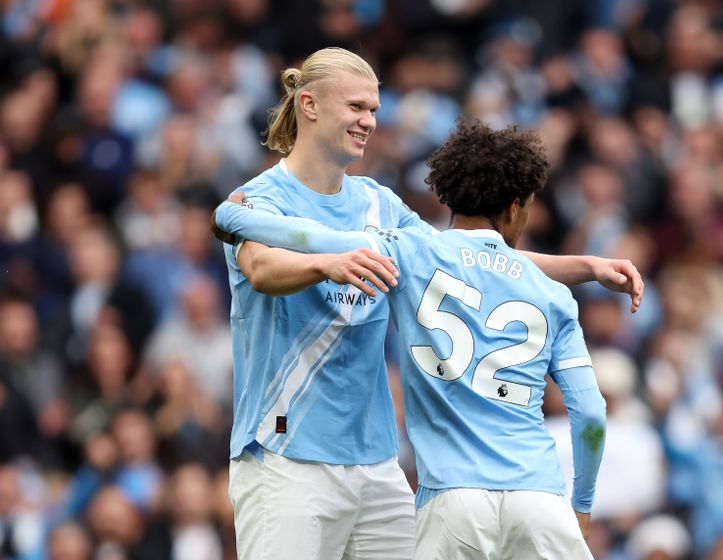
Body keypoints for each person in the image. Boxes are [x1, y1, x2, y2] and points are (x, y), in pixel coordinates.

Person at [214, 47, 641, 559]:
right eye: (356, 107)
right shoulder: (259, 198)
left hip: (375, 460)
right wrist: (326, 263)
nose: (369, 120)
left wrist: (586, 267)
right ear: (308, 104)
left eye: (373, 109)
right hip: (287, 453)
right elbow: (260, 269)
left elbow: (463, 258)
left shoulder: (378, 202)